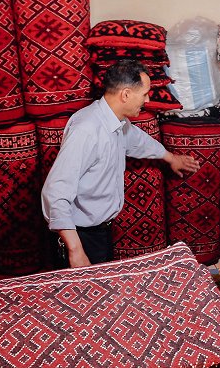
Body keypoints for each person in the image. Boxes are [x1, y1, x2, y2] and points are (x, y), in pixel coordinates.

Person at [41, 60, 199, 267]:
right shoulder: (86, 130)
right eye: (144, 94)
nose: (148, 99)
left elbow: (138, 141)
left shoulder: (117, 121)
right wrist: (75, 250)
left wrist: (171, 158)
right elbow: (55, 192)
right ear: (125, 94)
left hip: (100, 231)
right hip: (79, 235)